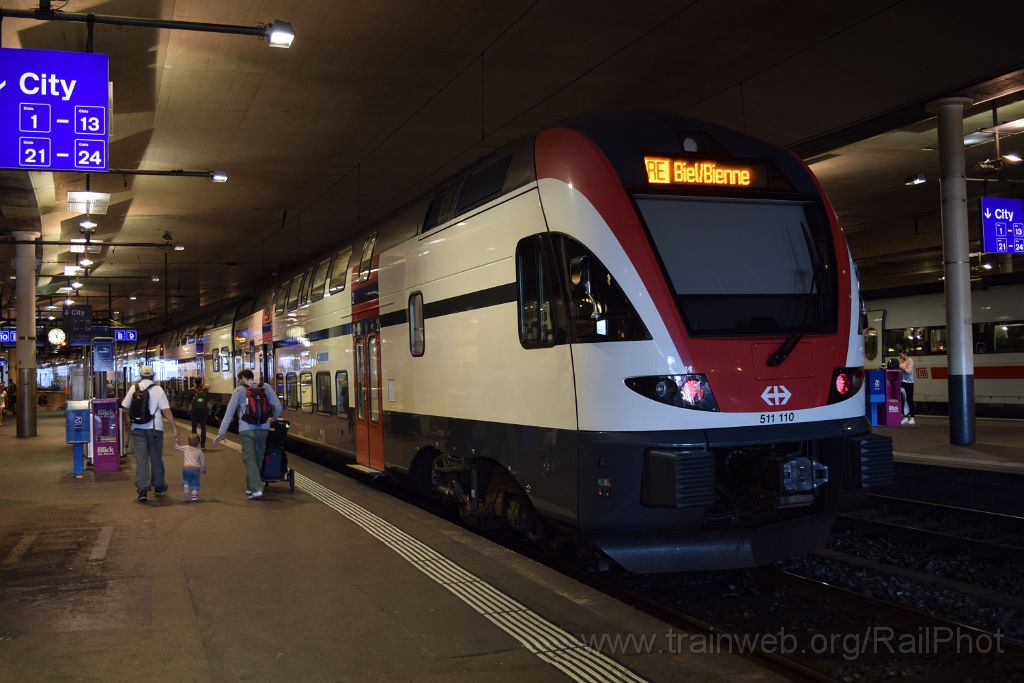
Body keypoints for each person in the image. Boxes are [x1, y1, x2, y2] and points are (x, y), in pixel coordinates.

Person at [213, 369, 282, 499]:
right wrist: (272, 418)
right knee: (258, 458)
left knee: (249, 458)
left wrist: (221, 433)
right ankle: (250, 488)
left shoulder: (239, 391)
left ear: (243, 377)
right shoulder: (265, 387)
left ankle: (256, 488)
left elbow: (229, 413)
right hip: (263, 428)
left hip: (246, 429)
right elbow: (278, 406)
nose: (239, 382)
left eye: (239, 379)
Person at [121, 365, 180, 502]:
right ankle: (159, 486)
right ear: (153, 376)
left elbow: (124, 409)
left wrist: (127, 424)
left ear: (140, 376)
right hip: (155, 428)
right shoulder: (158, 389)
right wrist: (175, 428)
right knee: (156, 458)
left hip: (137, 428)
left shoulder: (134, 388)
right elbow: (166, 411)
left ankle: (142, 490)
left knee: (141, 460)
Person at [175, 434, 207, 502]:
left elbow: (176, 447)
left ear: (188, 441)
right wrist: (204, 469)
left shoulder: (185, 447)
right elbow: (203, 461)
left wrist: (177, 440)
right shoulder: (199, 451)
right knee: (195, 483)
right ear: (198, 442)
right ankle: (194, 497)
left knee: (186, 479)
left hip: (187, 467)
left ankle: (186, 488)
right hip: (196, 469)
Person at [189, 379, 211, 449]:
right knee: (203, 428)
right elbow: (207, 400)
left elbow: (190, 399)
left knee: (194, 428)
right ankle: (203, 446)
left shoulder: (192, 390)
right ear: (201, 382)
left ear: (194, 382)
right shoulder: (205, 390)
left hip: (194, 411)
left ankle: (193, 444)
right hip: (203, 411)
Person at [898, 351, 915, 425]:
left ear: (905, 354)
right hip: (902, 382)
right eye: (899, 355)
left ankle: (912, 418)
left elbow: (909, 371)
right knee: (903, 399)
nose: (900, 357)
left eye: (901, 355)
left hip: (909, 383)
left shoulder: (910, 360)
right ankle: (905, 417)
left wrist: (901, 368)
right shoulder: (901, 361)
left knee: (909, 399)